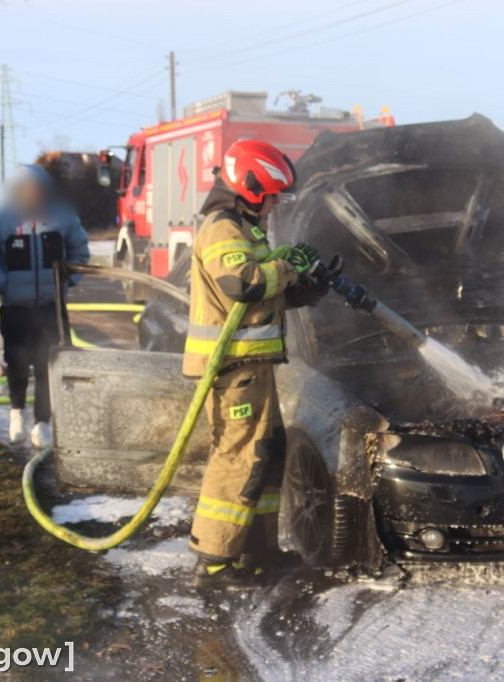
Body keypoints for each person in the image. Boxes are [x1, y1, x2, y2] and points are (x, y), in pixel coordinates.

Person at [183, 140, 327, 589]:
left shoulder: (246, 228)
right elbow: (242, 284)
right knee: (239, 457)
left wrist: (303, 290)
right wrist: (287, 267)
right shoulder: (222, 228)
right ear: (249, 188)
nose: (273, 207)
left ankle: (256, 549)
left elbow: (263, 297)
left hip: (254, 366)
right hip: (231, 371)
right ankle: (215, 560)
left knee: (268, 454)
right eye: (271, 197)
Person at [0, 164, 89, 447]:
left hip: (50, 307)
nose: (33, 194)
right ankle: (17, 413)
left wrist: (69, 280)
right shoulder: (1, 220)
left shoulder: (62, 217)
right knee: (16, 364)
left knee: (46, 366)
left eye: (37, 190)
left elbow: (79, 251)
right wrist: (4, 285)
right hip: (16, 308)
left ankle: (42, 423)